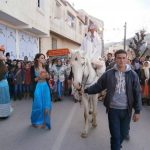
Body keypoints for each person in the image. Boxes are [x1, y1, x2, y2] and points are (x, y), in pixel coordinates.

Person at [84, 49, 142, 150]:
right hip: (113, 110)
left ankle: (116, 146)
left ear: (127, 59)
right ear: (115, 59)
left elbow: (137, 93)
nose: (121, 60)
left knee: (123, 134)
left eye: (124, 58)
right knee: (115, 136)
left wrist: (137, 111)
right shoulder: (109, 74)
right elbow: (98, 86)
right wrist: (86, 90)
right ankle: (115, 147)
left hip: (127, 110)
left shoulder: (133, 75)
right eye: (119, 58)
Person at [31, 53, 52, 129]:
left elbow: (49, 77)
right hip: (38, 87)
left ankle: (45, 122)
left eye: (44, 58)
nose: (44, 59)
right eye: (42, 58)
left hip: (45, 87)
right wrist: (39, 77)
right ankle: (35, 121)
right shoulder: (33, 67)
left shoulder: (46, 66)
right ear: (38, 59)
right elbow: (32, 80)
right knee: (38, 105)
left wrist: (47, 76)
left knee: (46, 105)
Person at [0, 45, 13, 118]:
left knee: (4, 98)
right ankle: (3, 113)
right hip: (2, 83)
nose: (2, 54)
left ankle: (4, 113)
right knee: (3, 99)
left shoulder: (4, 63)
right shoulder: (2, 63)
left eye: (2, 53)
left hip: (4, 83)